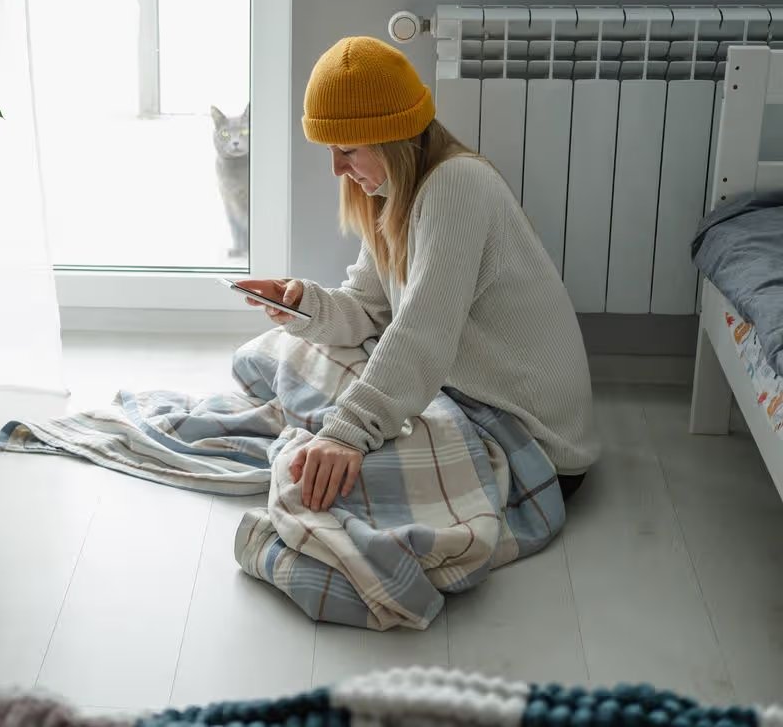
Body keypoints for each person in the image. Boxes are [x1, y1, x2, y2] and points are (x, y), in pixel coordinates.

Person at [240, 36, 599, 512]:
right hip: (459, 389)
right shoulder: (392, 193)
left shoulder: (457, 184)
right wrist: (299, 303)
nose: (335, 168)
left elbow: (422, 332)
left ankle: (331, 434)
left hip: (524, 438)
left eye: (346, 150)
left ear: (392, 137)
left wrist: (347, 434)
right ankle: (334, 428)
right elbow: (369, 309)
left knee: (305, 487)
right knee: (263, 356)